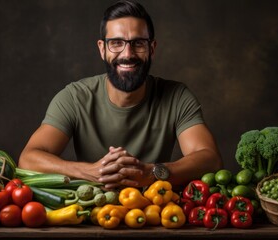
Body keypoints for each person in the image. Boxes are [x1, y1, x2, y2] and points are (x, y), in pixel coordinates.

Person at [18, 0, 222, 190]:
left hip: (159, 215)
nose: (127, 54)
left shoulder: (177, 96)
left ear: (151, 49)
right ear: (102, 49)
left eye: (138, 43)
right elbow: (29, 158)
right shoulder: (74, 97)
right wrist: (89, 172)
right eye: (116, 43)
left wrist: (152, 172)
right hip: (91, 217)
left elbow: (210, 159)